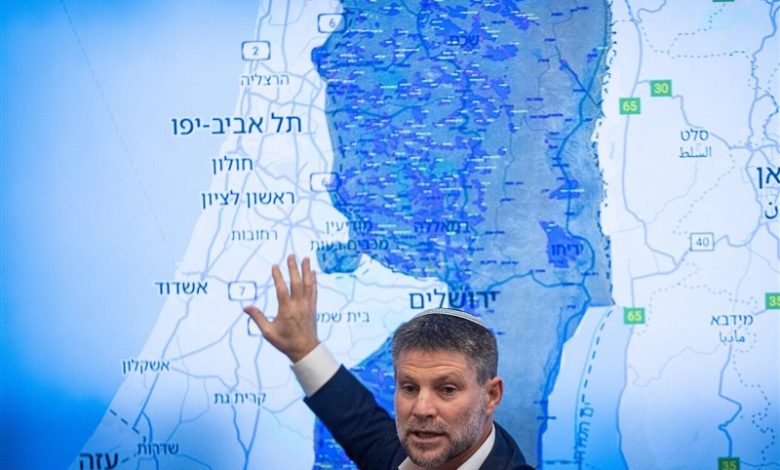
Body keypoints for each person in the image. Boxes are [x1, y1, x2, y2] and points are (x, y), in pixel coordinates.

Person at [244, 255, 533, 470]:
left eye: (447, 389)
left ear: (491, 395)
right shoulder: (403, 458)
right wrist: (304, 349)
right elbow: (360, 424)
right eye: (409, 388)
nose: (421, 409)